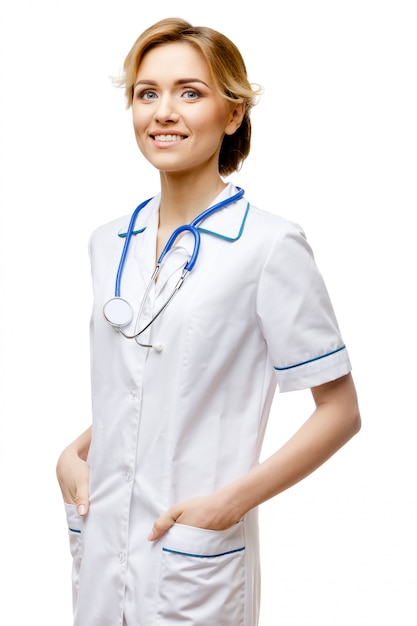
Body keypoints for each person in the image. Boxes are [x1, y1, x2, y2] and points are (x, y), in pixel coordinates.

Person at [56, 17, 361, 626]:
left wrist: (228, 505)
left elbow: (341, 411)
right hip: (103, 549)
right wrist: (75, 450)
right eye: (148, 93)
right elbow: (147, 380)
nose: (164, 111)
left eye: (190, 92)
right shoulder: (108, 242)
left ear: (232, 114)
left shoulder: (270, 245)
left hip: (194, 560)